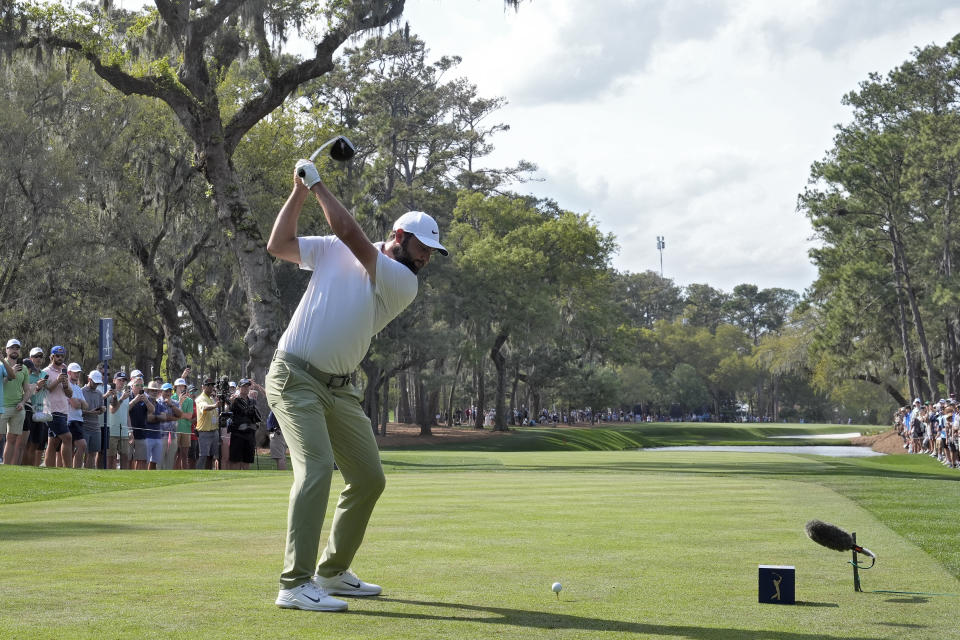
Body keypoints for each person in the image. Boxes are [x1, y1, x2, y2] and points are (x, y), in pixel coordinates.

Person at [265, 158, 446, 612]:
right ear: (400, 237)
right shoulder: (331, 247)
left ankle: (332, 572)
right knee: (317, 469)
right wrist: (300, 191)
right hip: (294, 377)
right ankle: (294, 583)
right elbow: (278, 245)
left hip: (340, 389)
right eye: (422, 247)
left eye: (431, 252)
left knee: (368, 478)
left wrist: (318, 183)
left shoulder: (403, 281)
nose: (426, 258)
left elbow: (350, 234)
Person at [40, 346, 74, 468]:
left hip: (64, 410)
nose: (60, 358)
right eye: (57, 356)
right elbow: (48, 388)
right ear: (52, 357)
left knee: (53, 442)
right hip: (52, 410)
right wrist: (58, 381)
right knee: (68, 437)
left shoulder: (64, 371)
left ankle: (49, 468)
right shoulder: (46, 371)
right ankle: (68, 468)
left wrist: (65, 385)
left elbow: (70, 394)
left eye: (62, 356)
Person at [2, 339, 30, 465]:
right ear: (6, 350)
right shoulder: (1, 365)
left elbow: (27, 390)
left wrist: (23, 402)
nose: (15, 350)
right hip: (2, 406)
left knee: (11, 438)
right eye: (12, 348)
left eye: (17, 348)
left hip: (18, 407)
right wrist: (11, 372)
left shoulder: (24, 368)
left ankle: (7, 467)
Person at [228, 379, 261, 470]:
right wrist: (231, 402)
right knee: (236, 460)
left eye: (247, 386)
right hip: (238, 433)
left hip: (250, 433)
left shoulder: (252, 401)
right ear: (239, 388)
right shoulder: (234, 400)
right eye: (244, 386)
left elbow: (256, 417)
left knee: (247, 460)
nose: (246, 388)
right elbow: (228, 411)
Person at [105, 371, 131, 469]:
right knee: (111, 457)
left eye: (123, 381)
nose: (122, 383)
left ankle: (124, 478)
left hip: (123, 431)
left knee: (125, 456)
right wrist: (122, 399)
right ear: (114, 380)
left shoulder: (126, 395)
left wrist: (130, 429)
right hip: (112, 431)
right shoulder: (112, 393)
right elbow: (113, 410)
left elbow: (127, 414)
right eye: (119, 380)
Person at [80, 370, 106, 468]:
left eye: (98, 383)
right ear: (89, 379)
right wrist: (90, 412)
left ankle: (89, 472)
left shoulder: (99, 393)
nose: (96, 385)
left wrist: (102, 409)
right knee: (82, 452)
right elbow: (78, 411)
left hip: (95, 426)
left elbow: (100, 406)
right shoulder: (81, 391)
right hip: (84, 426)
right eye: (95, 382)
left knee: (93, 453)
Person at [194, 379, 219, 470]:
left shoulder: (211, 399)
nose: (211, 387)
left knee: (213, 456)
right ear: (203, 387)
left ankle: (209, 474)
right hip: (204, 432)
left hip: (214, 431)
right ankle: (198, 474)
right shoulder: (200, 398)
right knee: (203, 456)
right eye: (208, 385)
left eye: (212, 385)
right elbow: (204, 407)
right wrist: (215, 406)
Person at [173, 378, 194, 469]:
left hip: (186, 429)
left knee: (184, 455)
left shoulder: (189, 400)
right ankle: (173, 474)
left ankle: (184, 474)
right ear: (175, 387)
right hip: (175, 430)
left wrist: (178, 415)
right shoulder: (172, 398)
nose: (181, 388)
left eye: (183, 386)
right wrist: (180, 403)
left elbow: (189, 416)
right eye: (179, 386)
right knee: (174, 454)